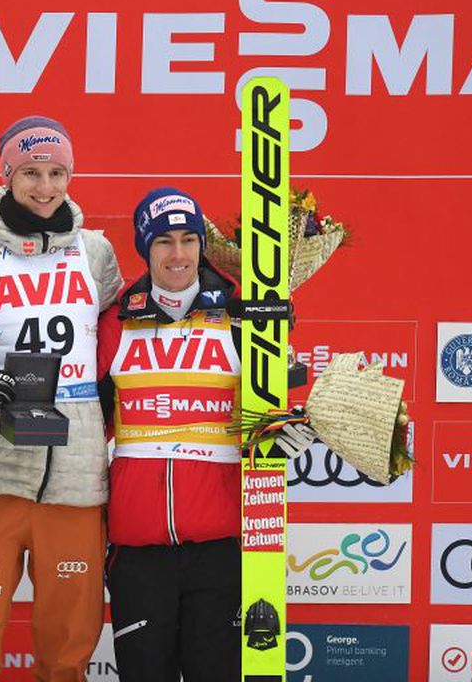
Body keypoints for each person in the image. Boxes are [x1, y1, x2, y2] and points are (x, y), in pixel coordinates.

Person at [96, 187, 314, 682]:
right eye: (164, 241)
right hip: (138, 550)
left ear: (201, 245)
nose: (178, 254)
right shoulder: (116, 321)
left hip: (222, 547)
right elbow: (92, 423)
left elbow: (273, 407)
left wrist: (287, 429)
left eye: (188, 239)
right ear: (144, 247)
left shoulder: (244, 315)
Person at [0, 116, 123, 681]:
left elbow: (120, 337)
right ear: (6, 175)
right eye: (30, 172)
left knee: (69, 643)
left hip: (75, 472)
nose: (44, 186)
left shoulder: (95, 252)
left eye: (56, 173)